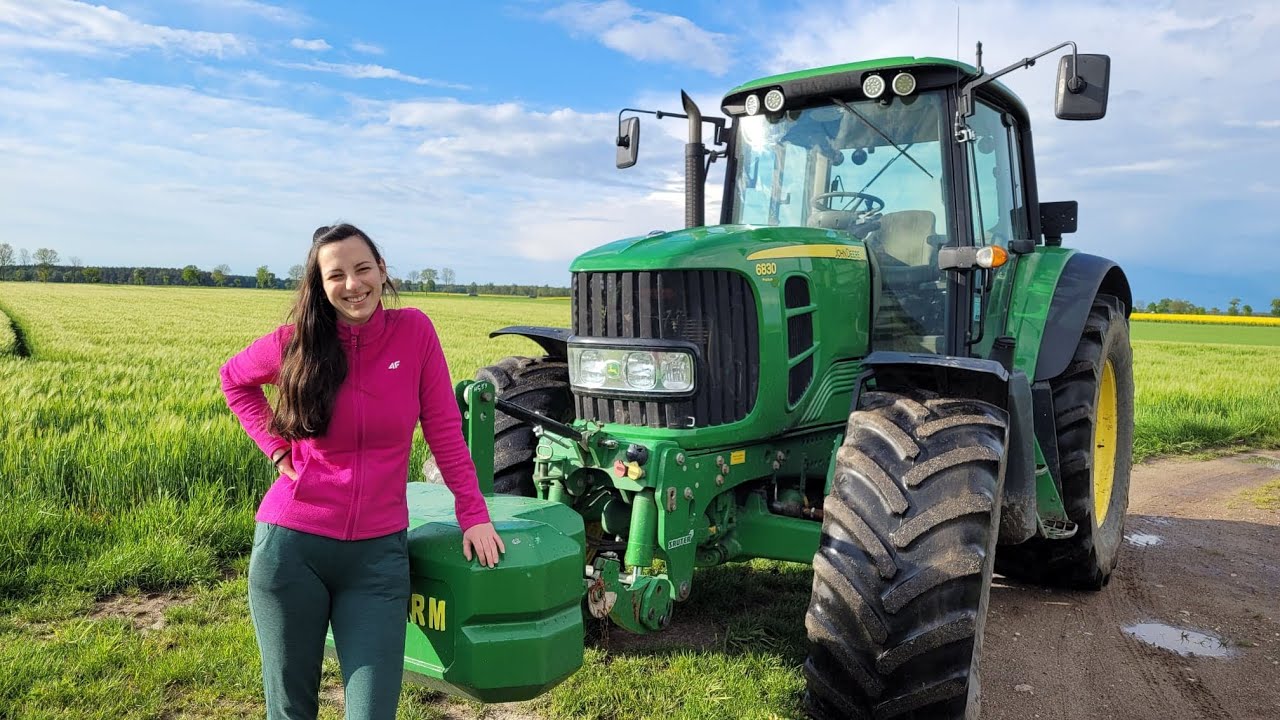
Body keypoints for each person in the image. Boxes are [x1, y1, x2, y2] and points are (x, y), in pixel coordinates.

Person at [220, 223, 504, 720]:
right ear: (320, 285)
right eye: (336, 275)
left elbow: (443, 429)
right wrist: (277, 450)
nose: (353, 284)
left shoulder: (414, 332)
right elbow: (234, 380)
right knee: (291, 711)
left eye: (362, 268)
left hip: (376, 560)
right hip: (291, 549)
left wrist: (473, 513)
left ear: (382, 271)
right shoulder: (296, 342)